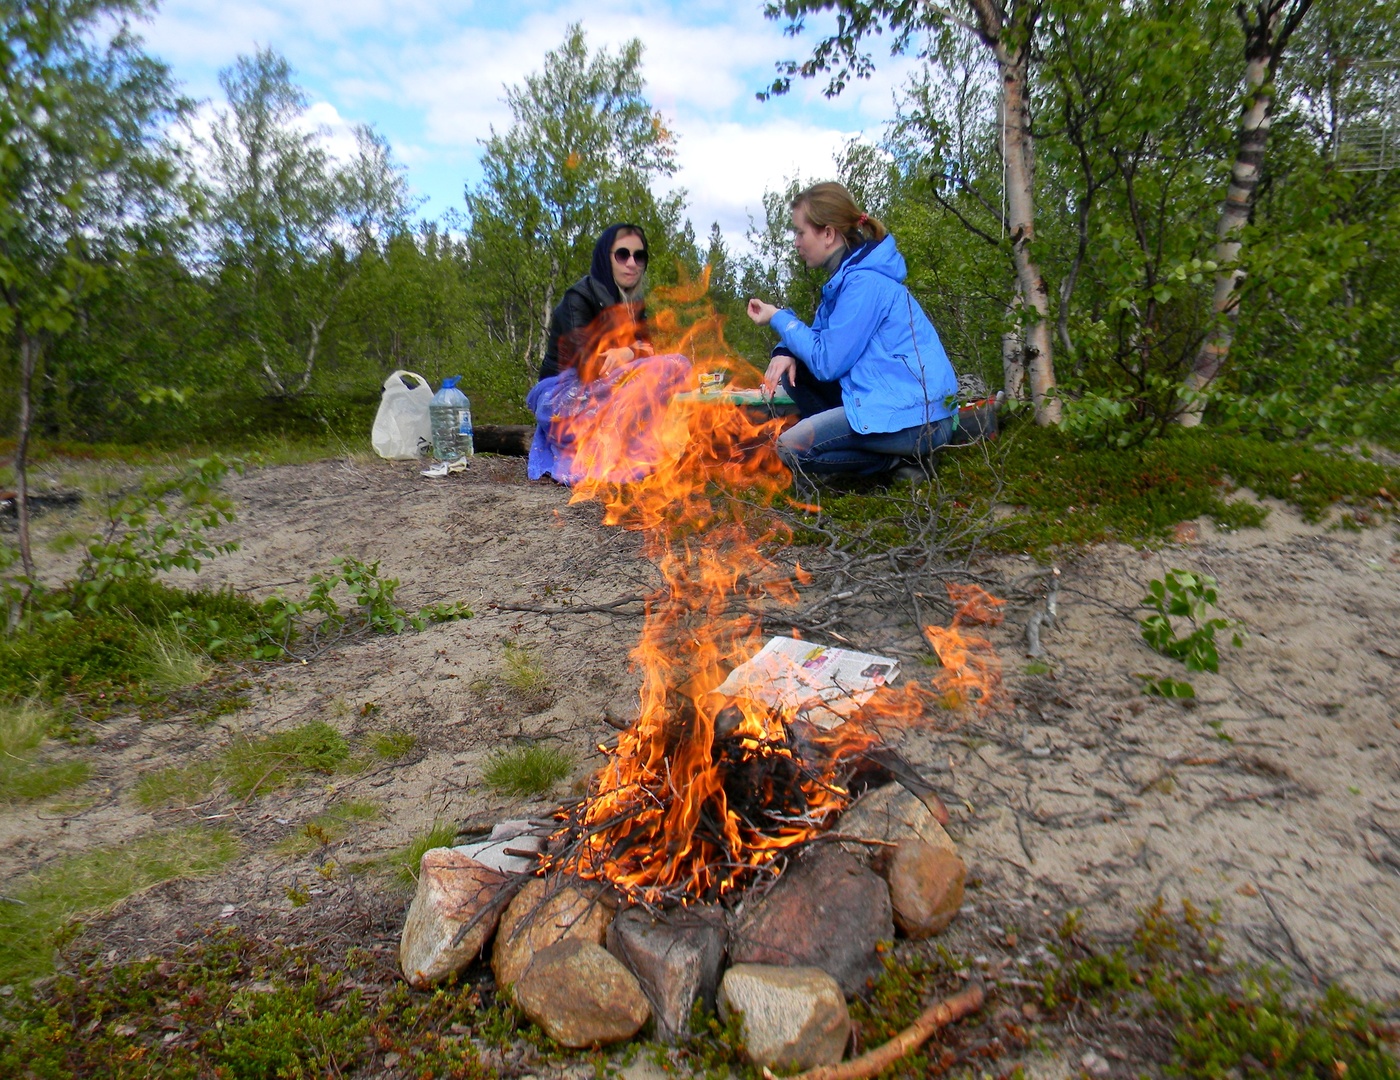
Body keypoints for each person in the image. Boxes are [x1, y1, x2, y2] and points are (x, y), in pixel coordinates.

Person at [747, 182, 959, 478]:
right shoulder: (844, 280)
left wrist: (778, 317)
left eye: (800, 232)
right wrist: (785, 349)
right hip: (887, 403)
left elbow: (826, 363)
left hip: (917, 421)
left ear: (828, 234)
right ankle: (878, 452)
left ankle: (898, 464)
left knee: (790, 448)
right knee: (796, 374)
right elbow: (816, 338)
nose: (796, 242)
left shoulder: (863, 285)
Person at [526, 224, 690, 484]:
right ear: (605, 257)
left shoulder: (632, 302)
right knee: (669, 366)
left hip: (607, 389)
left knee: (673, 366)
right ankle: (613, 452)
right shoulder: (578, 298)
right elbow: (589, 366)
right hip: (562, 396)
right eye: (622, 255)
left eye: (639, 256)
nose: (632, 263)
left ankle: (651, 449)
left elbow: (648, 350)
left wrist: (628, 352)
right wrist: (632, 355)